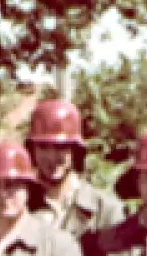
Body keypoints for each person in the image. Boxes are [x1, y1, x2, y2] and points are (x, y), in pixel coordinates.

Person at [24, 98, 126, 238]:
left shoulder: (105, 210)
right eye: (43, 147)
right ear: (32, 151)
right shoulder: (20, 206)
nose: (51, 157)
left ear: (75, 151)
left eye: (61, 147)